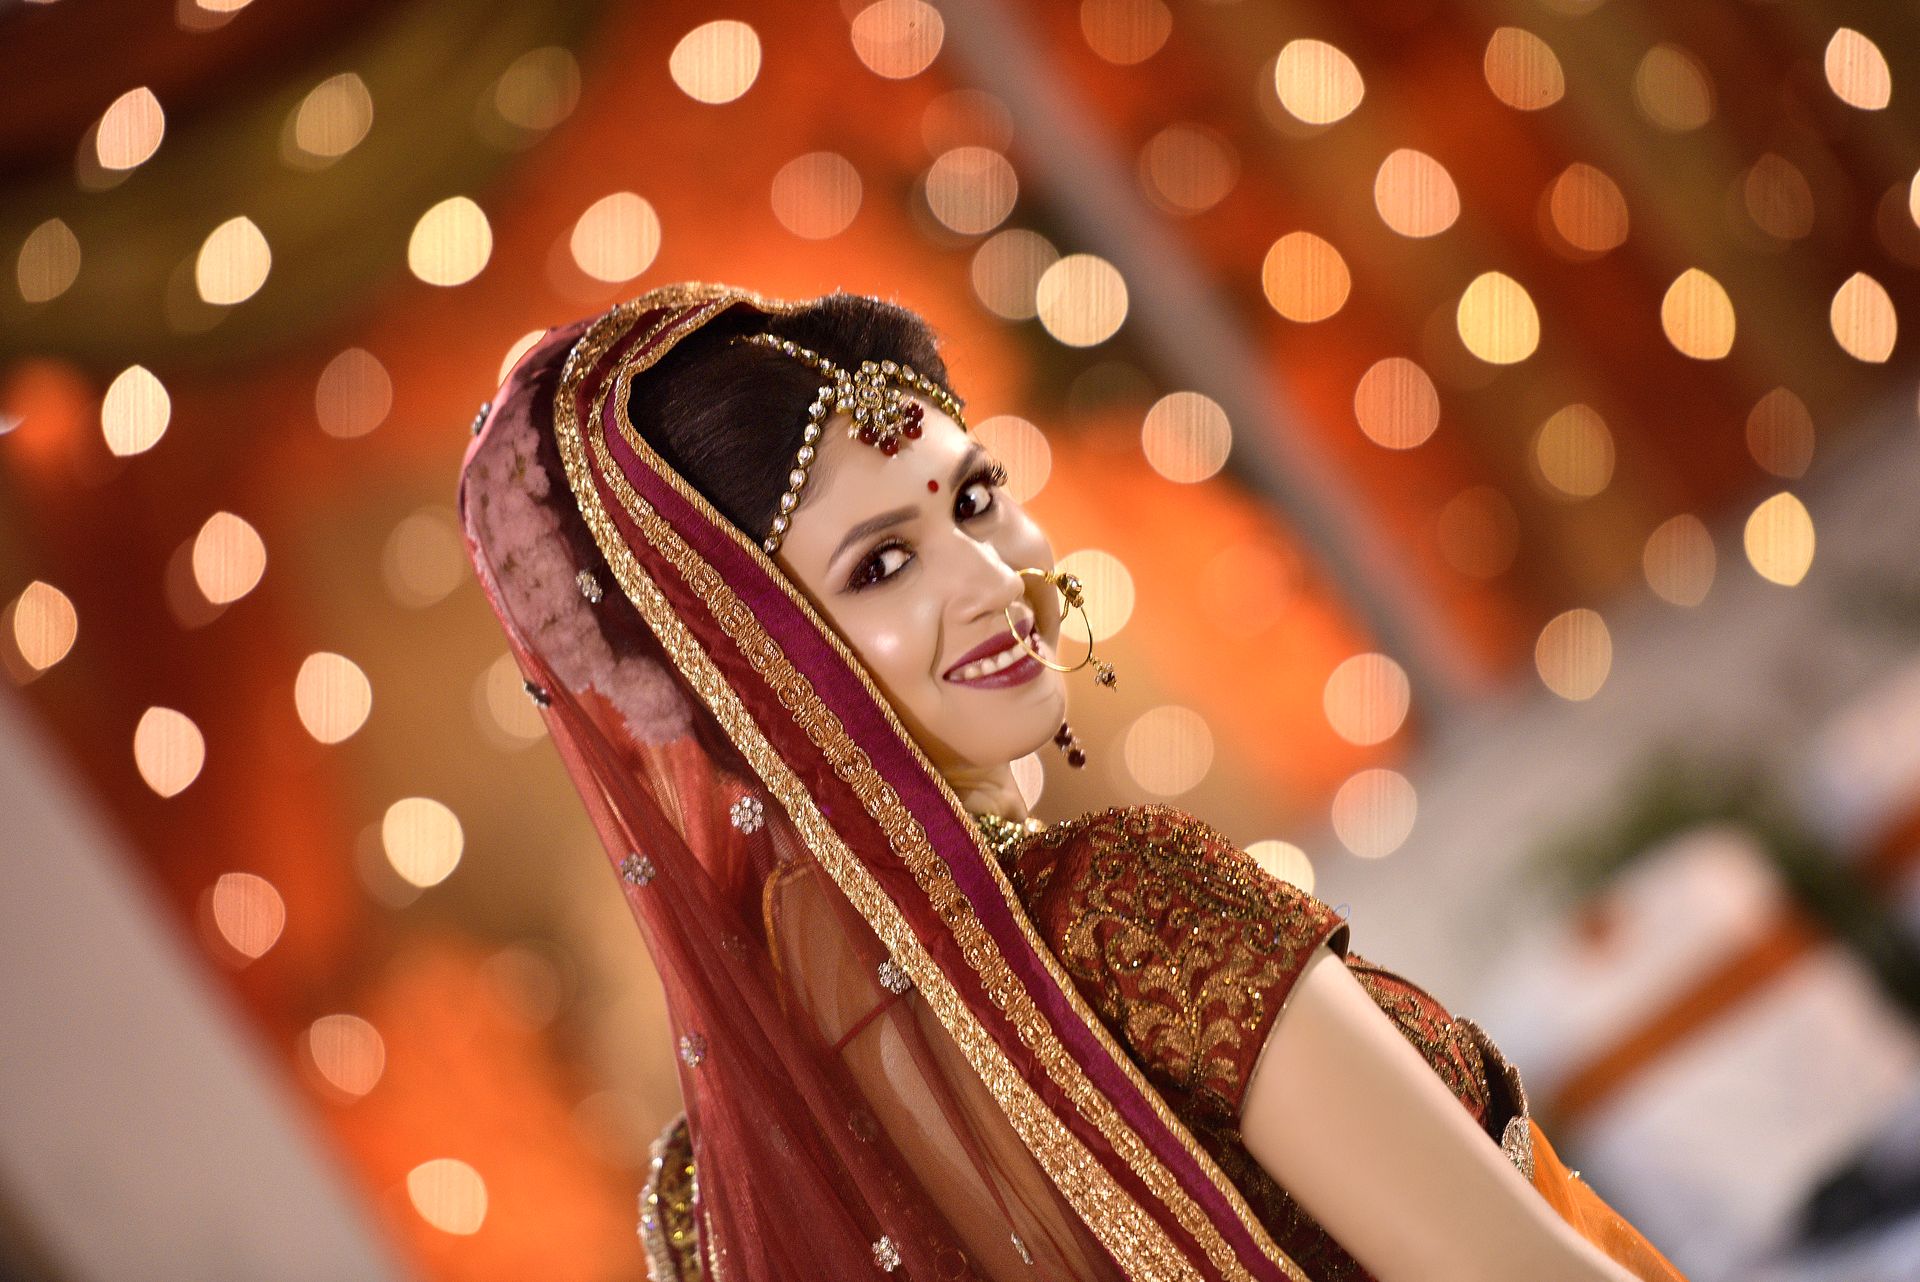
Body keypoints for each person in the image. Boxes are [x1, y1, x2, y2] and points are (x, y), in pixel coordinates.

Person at [456, 282, 1687, 1281]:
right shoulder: (1116, 915)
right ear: (741, 672)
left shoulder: (712, 1199)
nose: (991, 577)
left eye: (975, 498)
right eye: (882, 564)